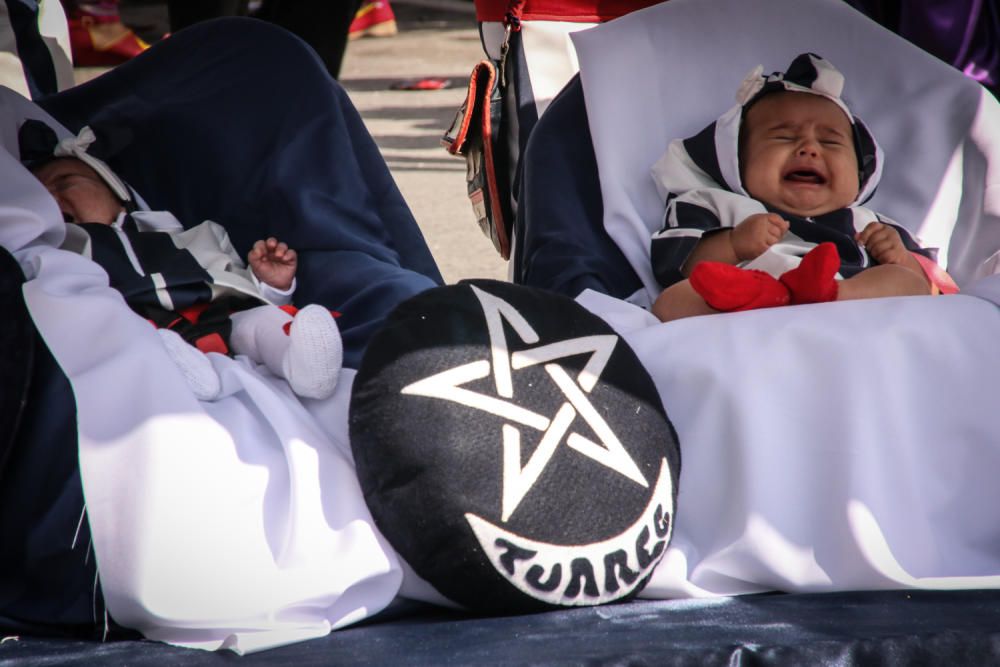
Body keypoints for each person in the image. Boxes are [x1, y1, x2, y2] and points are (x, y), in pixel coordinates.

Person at [23, 121, 343, 401]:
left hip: (219, 317)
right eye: (39, 196)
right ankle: (186, 373)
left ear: (117, 191)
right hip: (141, 324)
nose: (52, 198)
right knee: (143, 340)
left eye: (65, 183)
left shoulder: (195, 235)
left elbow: (235, 282)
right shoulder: (60, 255)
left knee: (261, 322)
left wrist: (272, 286)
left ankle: (303, 363)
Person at [649, 52, 958, 323]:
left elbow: (938, 285)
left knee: (903, 280)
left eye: (829, 141)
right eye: (783, 137)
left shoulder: (871, 224)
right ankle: (768, 295)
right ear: (735, 158)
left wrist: (899, 257)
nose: (809, 149)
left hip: (847, 296)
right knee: (674, 299)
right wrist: (733, 244)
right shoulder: (715, 203)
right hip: (746, 297)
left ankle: (829, 293)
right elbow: (677, 265)